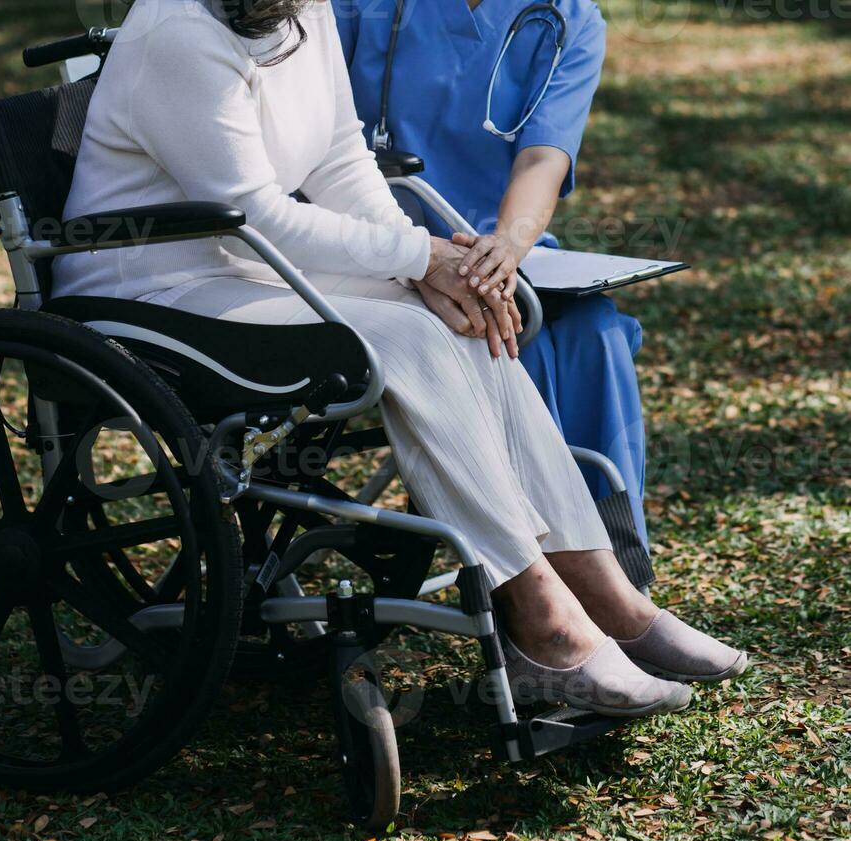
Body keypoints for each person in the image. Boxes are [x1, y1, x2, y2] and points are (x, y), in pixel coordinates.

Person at [53, 0, 748, 716]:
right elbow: (254, 210)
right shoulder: (179, 28)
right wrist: (416, 254)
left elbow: (338, 153)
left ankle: (608, 596)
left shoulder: (301, 8)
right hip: (151, 290)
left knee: (465, 317)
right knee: (410, 335)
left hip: (243, 270)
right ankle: (543, 621)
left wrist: (422, 267)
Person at [334, 0, 651, 546]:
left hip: (499, 251)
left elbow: (542, 158)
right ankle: (538, 568)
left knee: (592, 335)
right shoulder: (357, 8)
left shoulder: (570, 18)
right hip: (375, 247)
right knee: (500, 333)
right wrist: (419, 257)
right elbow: (313, 138)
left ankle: (616, 560)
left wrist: (505, 245)